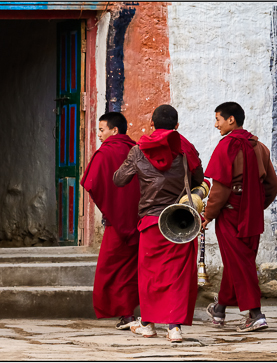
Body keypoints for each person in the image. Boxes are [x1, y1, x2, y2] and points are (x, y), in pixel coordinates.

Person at [113, 105, 204, 343]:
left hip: (151, 221)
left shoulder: (138, 151)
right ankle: (174, 328)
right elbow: (199, 180)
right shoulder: (185, 148)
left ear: (151, 124)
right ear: (176, 126)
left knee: (150, 275)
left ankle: (148, 324)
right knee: (177, 274)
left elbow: (119, 180)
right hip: (179, 219)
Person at [202, 102, 277, 332]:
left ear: (231, 120)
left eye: (218, 119)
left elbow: (221, 188)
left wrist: (208, 215)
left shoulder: (228, 146)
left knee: (240, 263)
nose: (216, 125)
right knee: (237, 261)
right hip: (251, 212)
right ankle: (220, 309)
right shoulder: (260, 147)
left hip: (230, 212)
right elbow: (271, 185)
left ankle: (255, 314)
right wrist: (254, 205)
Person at [80, 112, 141, 330]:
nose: (99, 135)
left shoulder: (105, 152)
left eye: (102, 130)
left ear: (114, 131)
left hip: (116, 222)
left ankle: (126, 315)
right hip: (139, 220)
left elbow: (90, 183)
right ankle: (129, 314)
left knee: (111, 269)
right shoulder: (137, 150)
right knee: (131, 269)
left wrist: (110, 206)